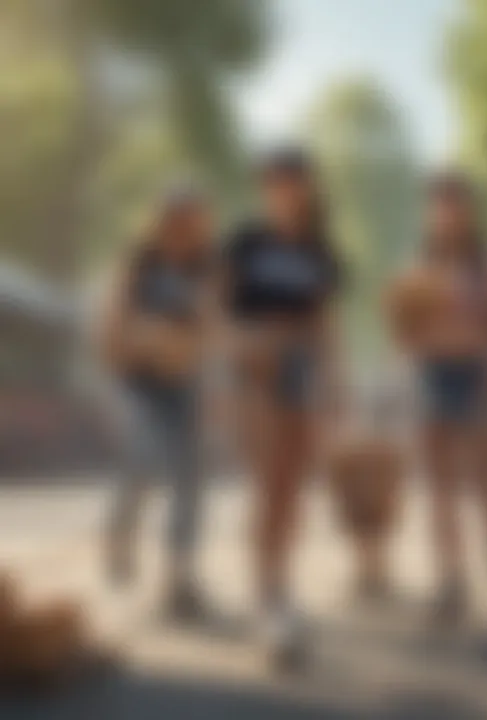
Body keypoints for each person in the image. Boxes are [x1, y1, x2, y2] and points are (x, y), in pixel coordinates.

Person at [220, 149, 343, 665]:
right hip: (253, 369)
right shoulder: (245, 242)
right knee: (266, 481)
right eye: (273, 178)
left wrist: (337, 384)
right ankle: (264, 594)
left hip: (300, 371)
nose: (283, 186)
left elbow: (325, 326)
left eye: (292, 178)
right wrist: (239, 353)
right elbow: (217, 308)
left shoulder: (321, 252)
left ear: (308, 186)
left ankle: (280, 584)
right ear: (264, 186)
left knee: (292, 488)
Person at [388, 172, 487, 626]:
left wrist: (486, 352)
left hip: (478, 376)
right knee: (441, 488)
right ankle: (452, 580)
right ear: (431, 214)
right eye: (440, 204)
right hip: (433, 377)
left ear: (471, 213)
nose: (448, 213)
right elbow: (403, 336)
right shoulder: (415, 267)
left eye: (457, 204)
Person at [99, 188, 214, 619]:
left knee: (190, 479)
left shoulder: (204, 268)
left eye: (192, 219)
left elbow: (211, 326)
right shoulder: (139, 262)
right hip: (138, 383)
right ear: (161, 220)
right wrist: (136, 344)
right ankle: (120, 536)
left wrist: (194, 353)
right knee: (142, 464)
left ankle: (178, 578)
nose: (183, 228)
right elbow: (113, 322)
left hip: (184, 384)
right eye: (176, 218)